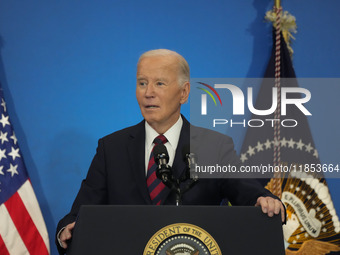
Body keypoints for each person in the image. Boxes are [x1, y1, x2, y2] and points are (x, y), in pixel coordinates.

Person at [55, 49, 285, 254]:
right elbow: (79, 213)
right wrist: (67, 229)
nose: (148, 93)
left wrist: (265, 200)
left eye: (160, 84)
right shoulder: (112, 147)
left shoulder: (213, 146)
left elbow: (246, 189)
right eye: (142, 83)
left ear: (184, 93)